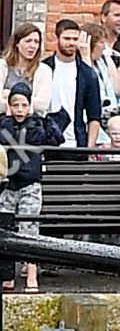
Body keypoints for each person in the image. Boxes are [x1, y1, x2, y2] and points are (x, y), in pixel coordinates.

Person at [0, 81, 64, 291]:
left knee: (30, 228)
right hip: (8, 184)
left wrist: (45, 119)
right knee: (5, 228)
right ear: (10, 105)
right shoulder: (3, 124)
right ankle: (7, 274)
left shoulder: (37, 124)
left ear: (30, 106)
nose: (20, 110)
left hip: (30, 183)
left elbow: (57, 140)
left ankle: (31, 274)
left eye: (24, 105)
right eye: (16, 105)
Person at [43, 18, 102, 149]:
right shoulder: (44, 68)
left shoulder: (88, 74)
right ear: (56, 38)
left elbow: (94, 116)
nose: (71, 43)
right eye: (67, 38)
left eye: (75, 39)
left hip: (76, 142)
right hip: (46, 142)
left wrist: (89, 147)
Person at [0, 24, 52, 116]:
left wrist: (9, 95)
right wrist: (28, 102)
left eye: (36, 42)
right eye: (28, 41)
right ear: (17, 43)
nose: (33, 46)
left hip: (32, 126)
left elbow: (43, 105)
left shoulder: (44, 70)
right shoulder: (2, 66)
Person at [83, 22, 120, 114]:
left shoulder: (103, 61)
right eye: (101, 42)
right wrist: (86, 55)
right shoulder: (81, 64)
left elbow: (119, 90)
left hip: (111, 112)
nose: (104, 47)